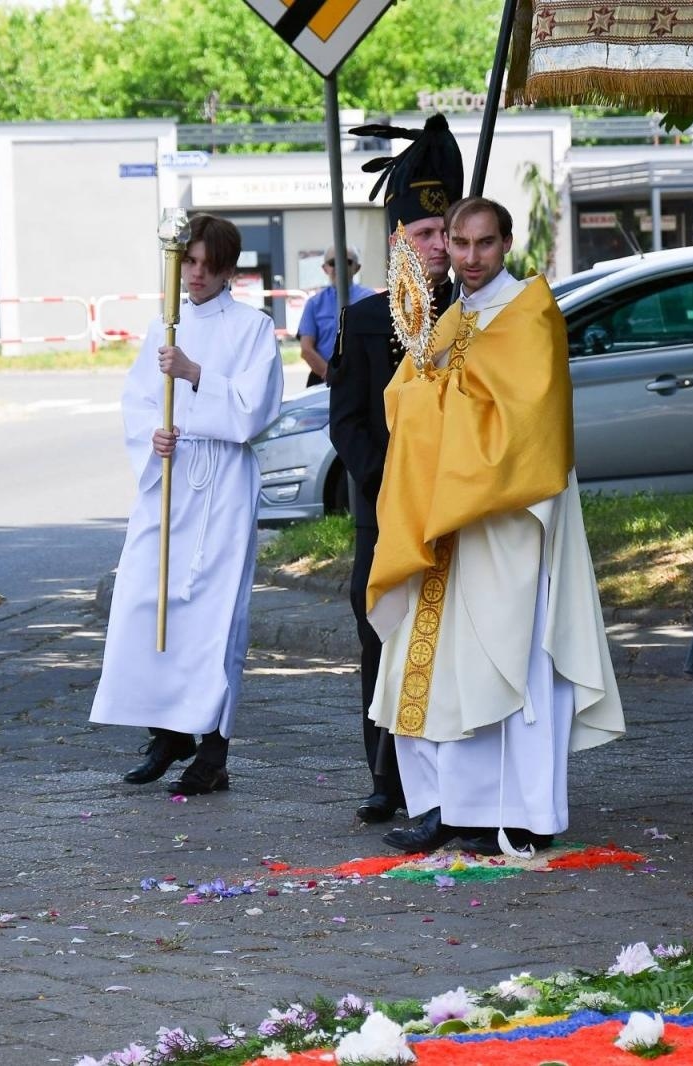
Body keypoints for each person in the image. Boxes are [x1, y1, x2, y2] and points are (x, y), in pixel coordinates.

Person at [367, 197, 626, 855]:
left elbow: (523, 425)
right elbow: (406, 403)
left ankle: (515, 810)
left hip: (506, 521)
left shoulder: (530, 313)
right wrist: (426, 383)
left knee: (500, 661)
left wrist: (438, 398)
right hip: (447, 519)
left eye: (485, 243)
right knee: (436, 668)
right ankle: (446, 805)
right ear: (446, 246)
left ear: (506, 243)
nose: (472, 257)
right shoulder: (451, 318)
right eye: (459, 243)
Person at [91, 213, 284, 795]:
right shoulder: (162, 327)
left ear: (228, 269)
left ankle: (213, 750)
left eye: (208, 265)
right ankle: (165, 727)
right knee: (145, 600)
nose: (196, 275)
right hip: (170, 479)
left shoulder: (253, 327)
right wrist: (154, 434)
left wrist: (197, 374)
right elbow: (140, 401)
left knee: (213, 616)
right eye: (189, 263)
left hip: (220, 483)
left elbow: (256, 408)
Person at [328, 113, 462, 824]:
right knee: (380, 636)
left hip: (455, 509)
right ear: (397, 241)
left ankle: (453, 774)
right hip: (382, 514)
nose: (437, 248)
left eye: (446, 234)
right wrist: (391, 476)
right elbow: (345, 423)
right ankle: (386, 774)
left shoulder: (473, 317)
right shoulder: (362, 320)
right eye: (423, 235)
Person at [297, 246, 374, 387]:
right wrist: (332, 376)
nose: (339, 267)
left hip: (363, 379)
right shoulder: (314, 304)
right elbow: (306, 349)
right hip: (322, 379)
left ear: (357, 268)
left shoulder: (370, 299)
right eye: (333, 263)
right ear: (325, 268)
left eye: (347, 262)